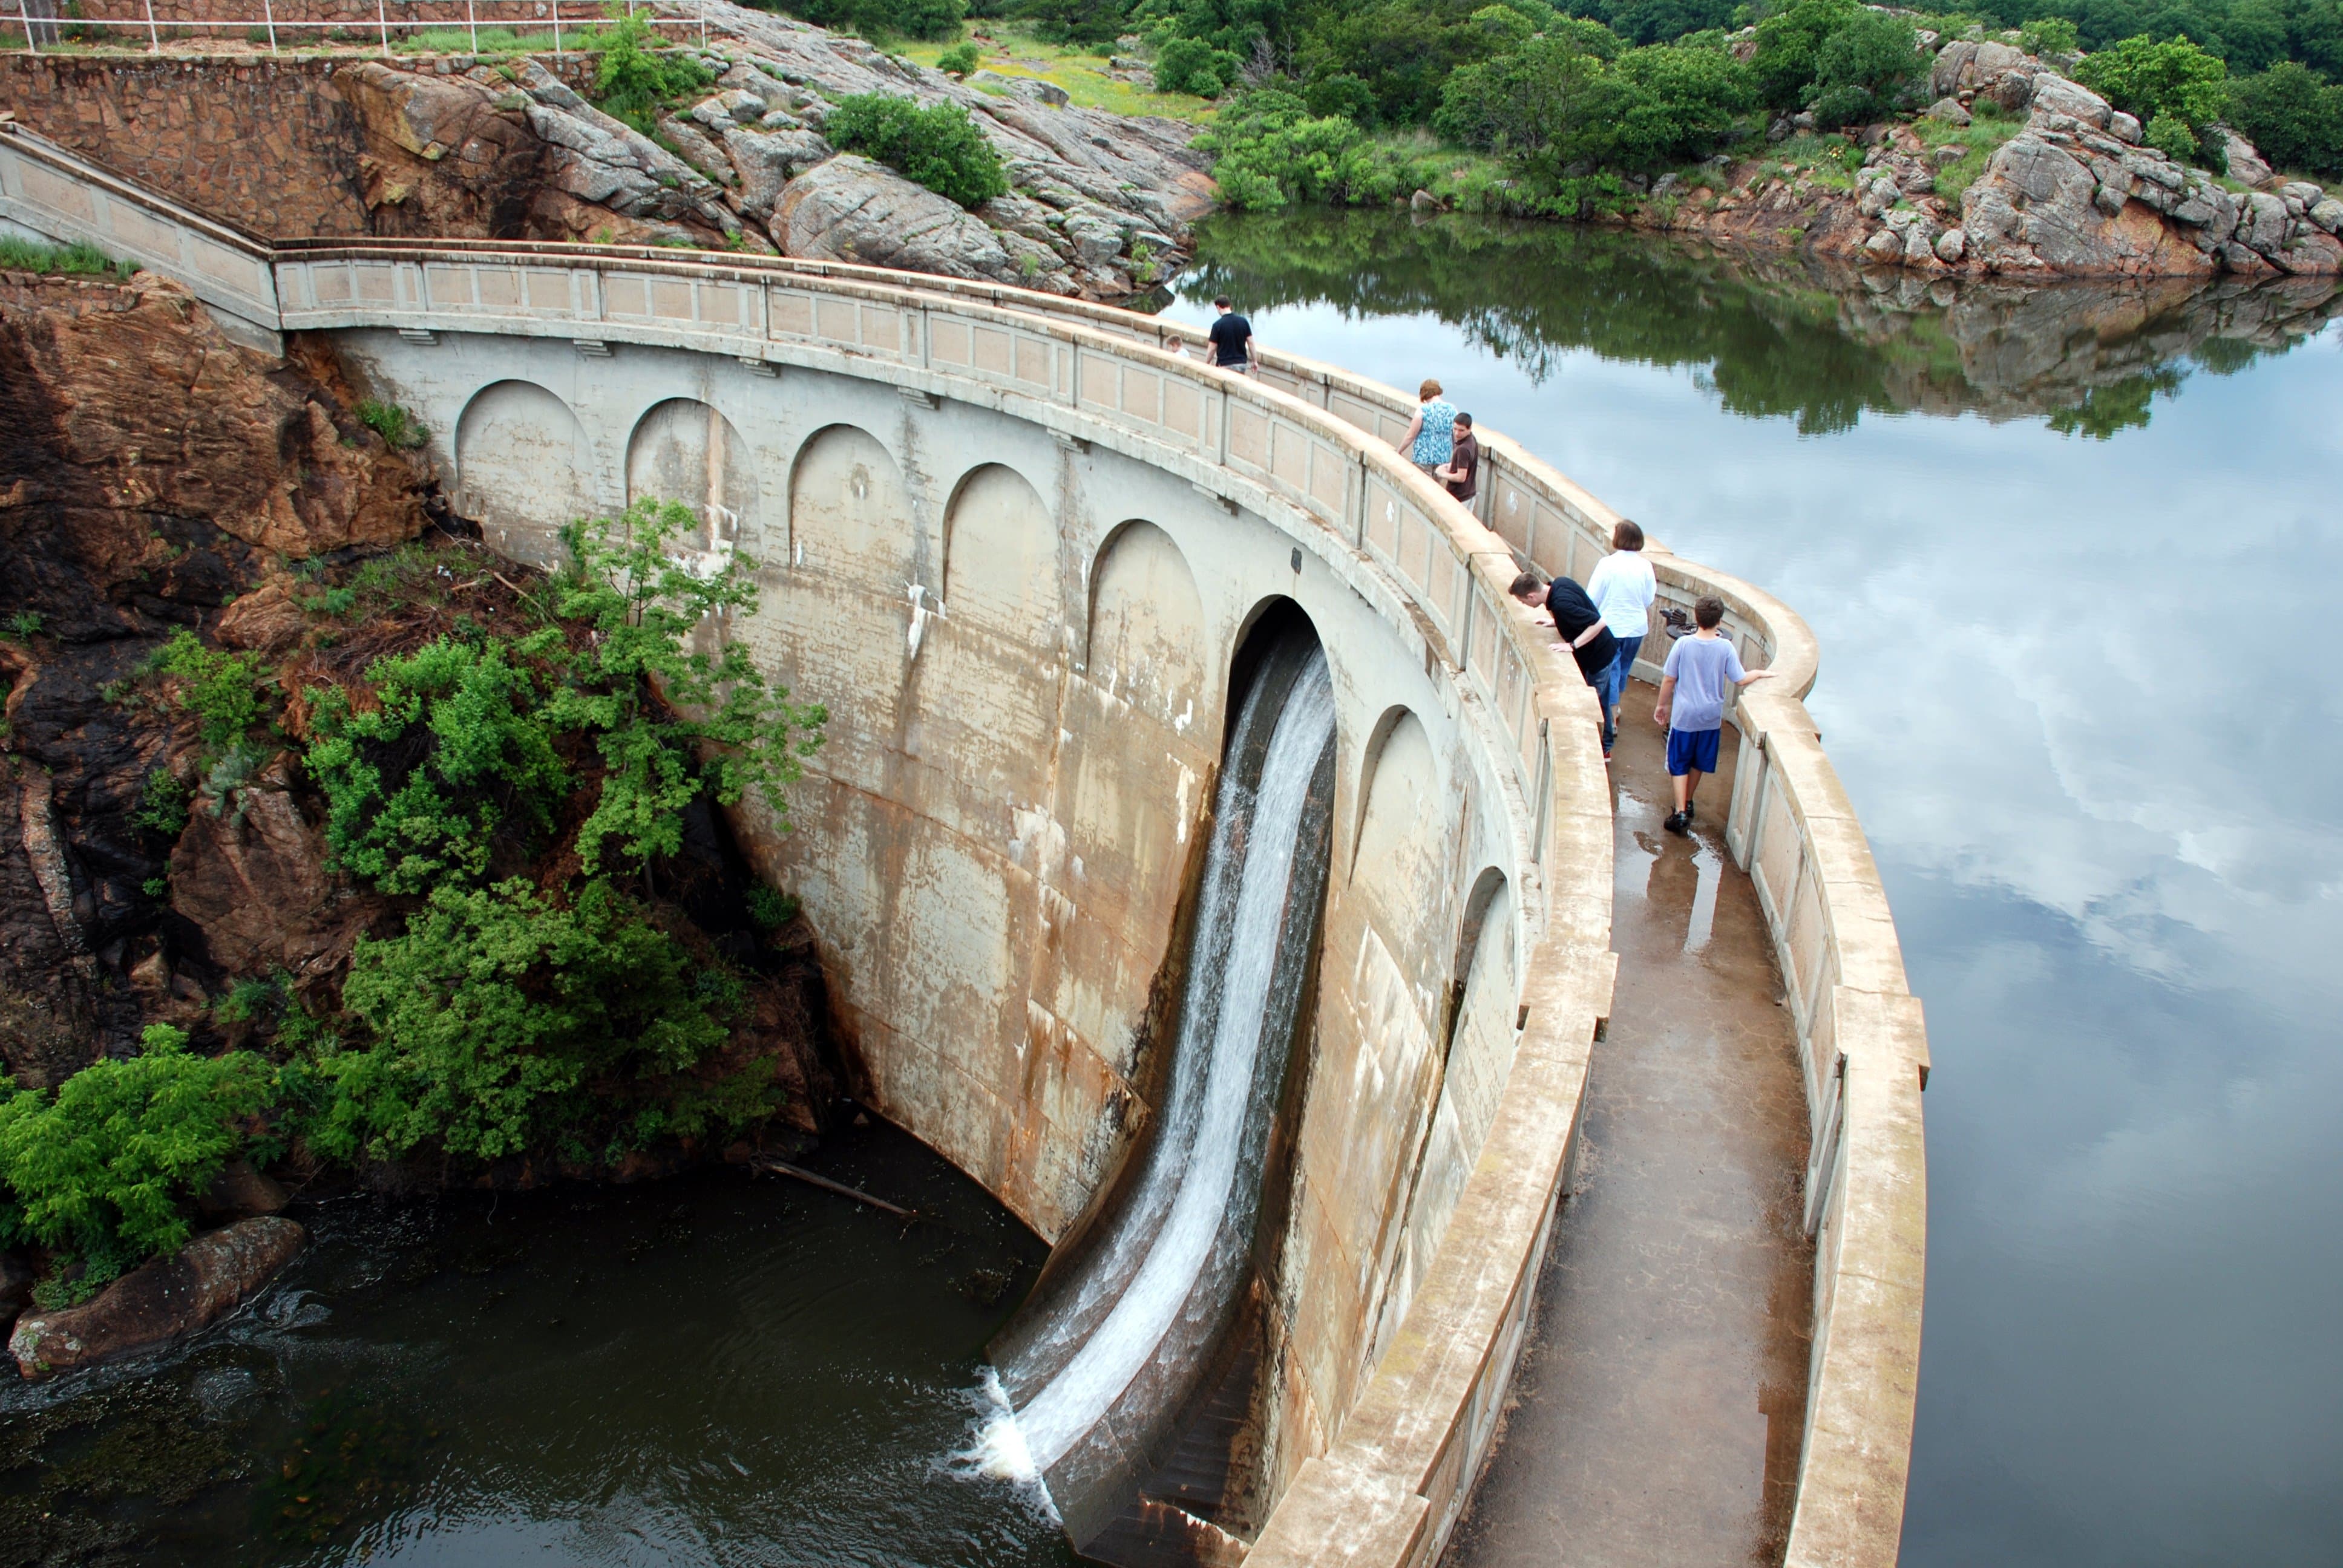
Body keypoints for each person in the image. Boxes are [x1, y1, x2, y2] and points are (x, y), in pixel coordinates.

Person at [1653, 594, 1775, 835]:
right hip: (1710, 716)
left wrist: (1661, 706)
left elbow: (1669, 679)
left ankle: (1679, 812)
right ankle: (1688, 802)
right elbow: (1740, 679)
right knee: (1699, 761)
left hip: (1685, 715)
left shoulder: (1684, 645)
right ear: (1720, 621)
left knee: (1679, 762)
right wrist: (1760, 673)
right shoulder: (1725, 647)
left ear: (1696, 617)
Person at [1510, 569, 1616, 743]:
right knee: (1601, 699)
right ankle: (1606, 740)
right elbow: (1579, 609)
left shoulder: (1561, 605)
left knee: (1596, 702)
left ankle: (1604, 745)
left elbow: (1599, 623)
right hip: (1604, 650)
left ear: (1531, 597)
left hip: (1599, 655)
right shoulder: (1561, 583)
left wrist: (1572, 645)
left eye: (1523, 602)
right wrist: (1556, 622)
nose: (1524, 605)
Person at [1584, 518, 1654, 754]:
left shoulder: (1607, 564)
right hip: (1636, 628)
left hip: (1610, 627)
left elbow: (1593, 596)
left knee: (1611, 672)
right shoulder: (1645, 566)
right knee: (1622, 670)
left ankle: (1611, 718)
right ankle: (1616, 707)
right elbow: (1648, 599)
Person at [1400, 379, 1457, 480]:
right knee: (1436, 489)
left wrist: (1399, 451)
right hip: (1443, 458)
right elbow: (1455, 437)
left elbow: (1411, 435)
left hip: (1423, 458)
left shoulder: (1423, 410)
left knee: (1423, 487)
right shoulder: (1452, 410)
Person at [1437, 411, 1480, 505]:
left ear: (1470, 429)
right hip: (1469, 494)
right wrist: (1450, 466)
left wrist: (1443, 474)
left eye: (1461, 430)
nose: (1457, 433)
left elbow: (1461, 477)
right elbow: (1465, 464)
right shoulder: (1472, 440)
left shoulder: (1463, 449)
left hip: (1460, 497)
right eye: (1455, 429)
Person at [1206, 297, 1255, 374]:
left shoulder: (1217, 325)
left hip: (1225, 365)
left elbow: (1212, 348)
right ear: (1229, 306)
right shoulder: (1244, 321)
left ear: (1218, 307)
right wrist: (1255, 361)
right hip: (1241, 364)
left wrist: (1206, 364)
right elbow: (1251, 343)